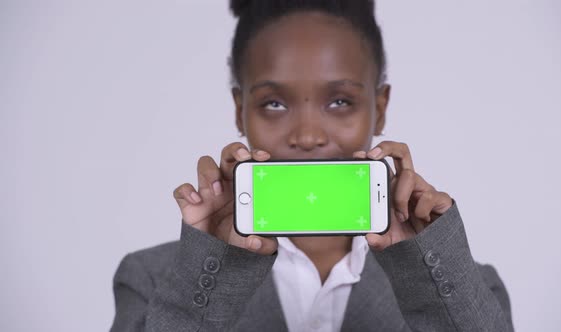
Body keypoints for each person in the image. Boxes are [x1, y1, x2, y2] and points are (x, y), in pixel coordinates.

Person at [110, 1, 514, 331]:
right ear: (241, 111)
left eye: (339, 101)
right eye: (274, 103)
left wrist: (426, 265)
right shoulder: (151, 279)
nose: (306, 135)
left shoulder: (463, 286)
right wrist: (215, 266)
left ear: (380, 108)